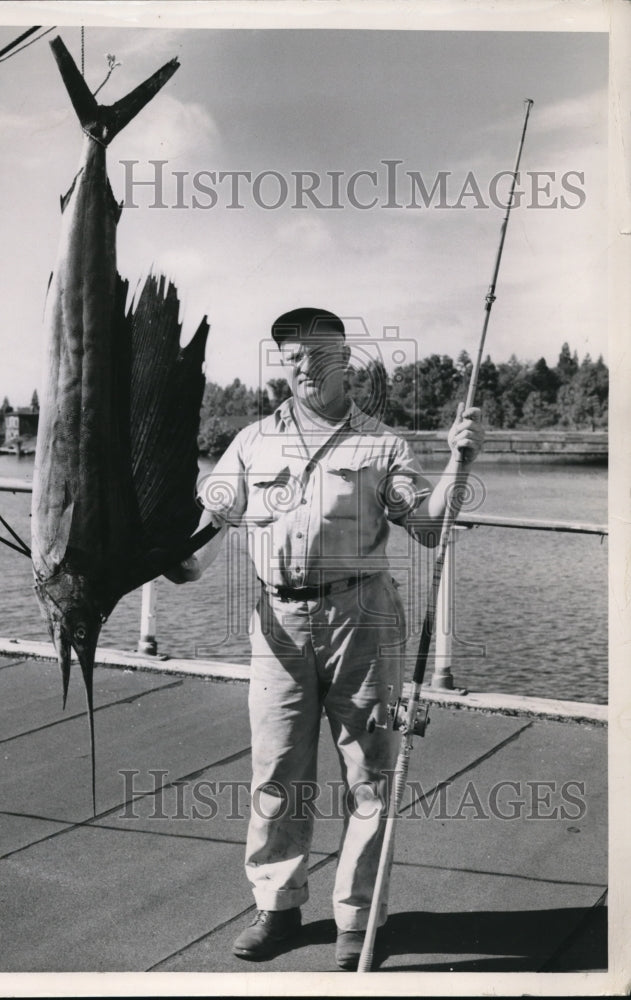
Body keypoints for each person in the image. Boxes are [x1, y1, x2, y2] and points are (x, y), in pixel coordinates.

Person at [165, 307, 485, 969]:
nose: (304, 369)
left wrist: (459, 464)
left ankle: (357, 918)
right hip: (276, 623)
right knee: (278, 768)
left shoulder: (382, 445)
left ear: (346, 361)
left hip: (363, 620)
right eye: (291, 359)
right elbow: (211, 522)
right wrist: (179, 563)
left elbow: (426, 525)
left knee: (370, 768)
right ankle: (277, 909)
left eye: (317, 356)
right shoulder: (252, 441)